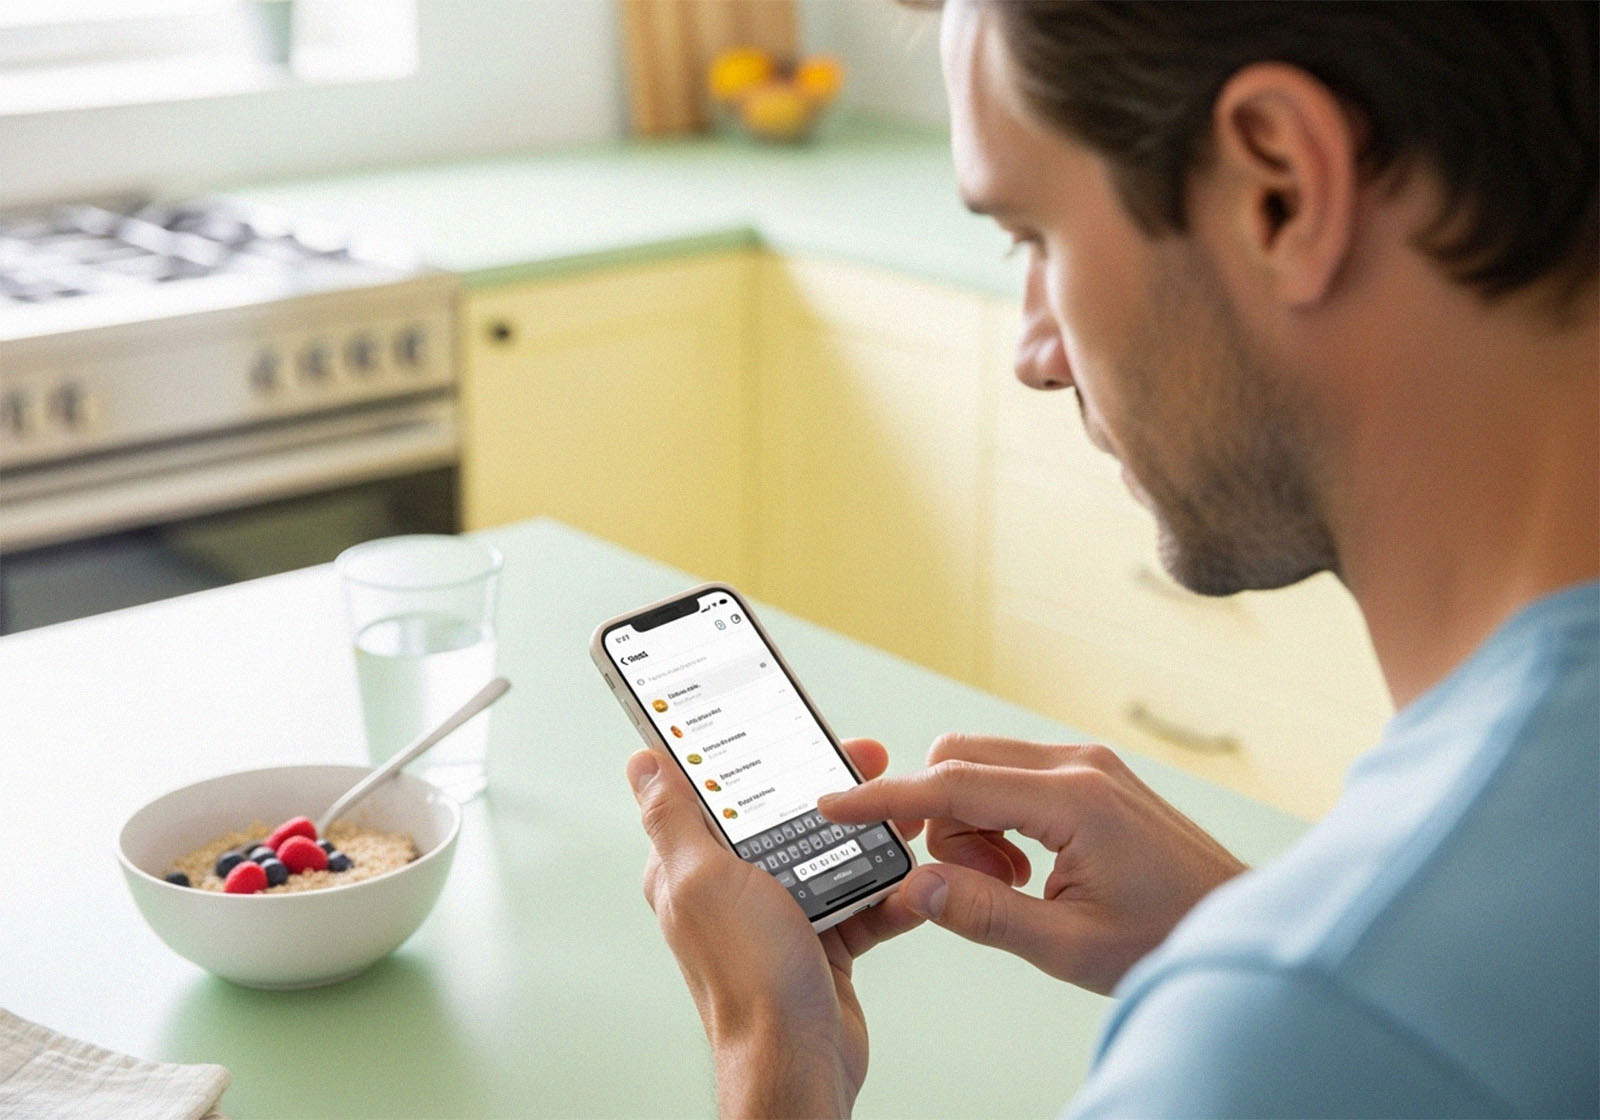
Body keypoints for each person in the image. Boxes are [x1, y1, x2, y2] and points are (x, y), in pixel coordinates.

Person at [623, 1, 1599, 1115]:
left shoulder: (1286, 1039)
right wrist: (1251, 932)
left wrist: (770, 1055)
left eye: (1036, 236)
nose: (1035, 353)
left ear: (1278, 187)